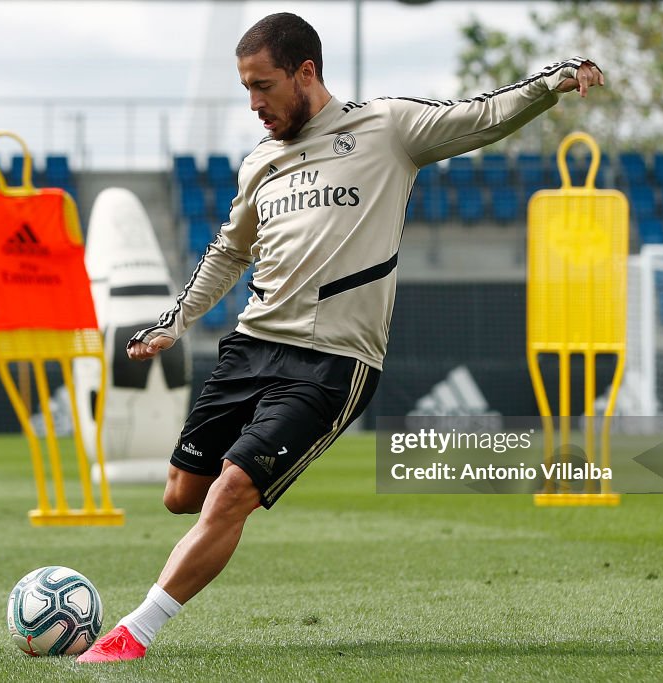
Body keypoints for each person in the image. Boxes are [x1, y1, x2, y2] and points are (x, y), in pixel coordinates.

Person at [77, 11, 604, 663]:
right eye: (245, 88)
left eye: (263, 86)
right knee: (180, 494)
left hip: (330, 364)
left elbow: (481, 115)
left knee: (232, 489)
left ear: (306, 73)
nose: (254, 104)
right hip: (248, 348)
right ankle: (230, 496)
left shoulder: (385, 129)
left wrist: (553, 81)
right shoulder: (259, 163)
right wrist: (176, 320)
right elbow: (228, 251)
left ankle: (134, 632)